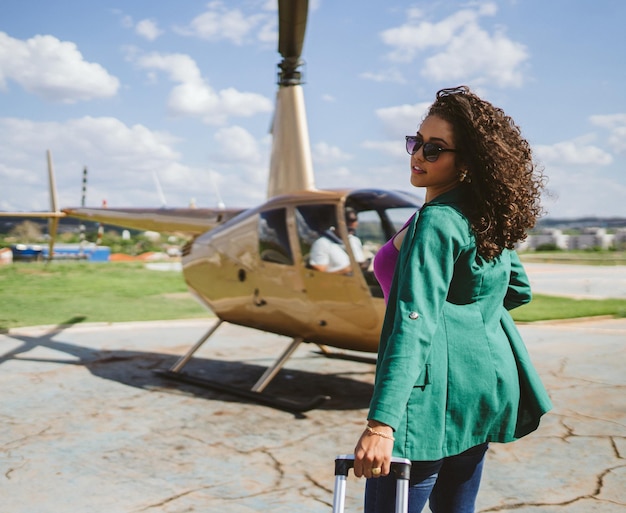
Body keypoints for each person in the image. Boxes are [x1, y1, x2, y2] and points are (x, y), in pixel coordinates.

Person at [352, 86, 552, 513]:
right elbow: (516, 290)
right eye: (416, 142)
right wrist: (464, 320)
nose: (418, 155)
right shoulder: (481, 216)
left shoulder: (438, 221)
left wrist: (381, 424)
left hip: (428, 398)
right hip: (482, 389)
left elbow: (414, 319)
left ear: (468, 161)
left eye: (434, 148)